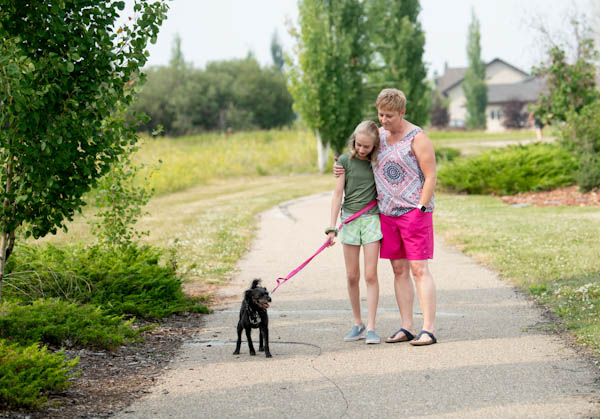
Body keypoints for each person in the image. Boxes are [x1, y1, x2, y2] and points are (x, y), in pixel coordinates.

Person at [334, 88, 438, 346]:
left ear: (402, 113)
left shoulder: (417, 138)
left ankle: (428, 328)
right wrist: (340, 165)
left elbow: (431, 175)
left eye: (389, 115)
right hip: (387, 214)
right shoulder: (378, 137)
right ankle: (407, 327)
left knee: (419, 269)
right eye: (380, 114)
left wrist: (421, 208)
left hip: (414, 212)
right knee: (399, 268)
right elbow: (357, 155)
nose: (384, 120)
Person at [327, 120, 383, 345]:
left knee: (370, 274)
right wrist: (331, 228)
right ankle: (357, 323)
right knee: (352, 275)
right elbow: (337, 194)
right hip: (349, 221)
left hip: (371, 220)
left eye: (366, 147)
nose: (361, 150)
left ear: (375, 146)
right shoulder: (343, 162)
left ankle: (371, 327)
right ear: (354, 141)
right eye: (358, 145)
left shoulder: (378, 162)